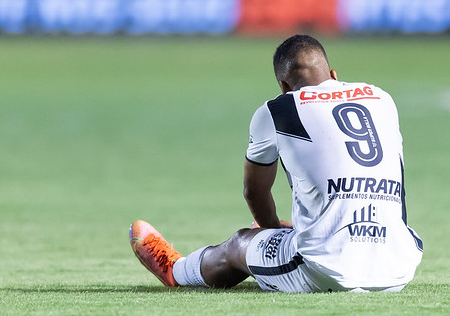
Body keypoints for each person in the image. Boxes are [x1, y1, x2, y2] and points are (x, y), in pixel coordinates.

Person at [129, 34, 423, 292]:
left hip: (324, 271)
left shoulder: (279, 109)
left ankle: (176, 271)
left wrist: (270, 229)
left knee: (239, 243)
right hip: (399, 265)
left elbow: (254, 192)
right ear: (333, 74)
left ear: (284, 86)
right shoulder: (381, 99)